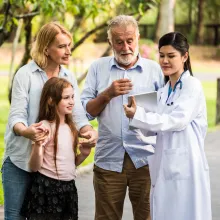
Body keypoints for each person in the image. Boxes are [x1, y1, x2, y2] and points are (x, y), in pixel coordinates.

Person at [2, 22, 98, 220]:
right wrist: (27, 132)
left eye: (69, 45)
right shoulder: (26, 74)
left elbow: (78, 115)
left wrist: (89, 131)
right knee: (15, 216)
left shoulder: (68, 76)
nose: (68, 51)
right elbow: (16, 116)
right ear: (46, 48)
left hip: (48, 170)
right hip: (20, 159)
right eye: (62, 46)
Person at [81, 15, 164, 220]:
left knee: (147, 216)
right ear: (110, 42)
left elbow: (165, 115)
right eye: (119, 42)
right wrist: (107, 94)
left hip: (146, 161)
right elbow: (86, 112)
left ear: (138, 38)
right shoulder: (98, 68)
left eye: (130, 41)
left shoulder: (155, 70)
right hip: (109, 160)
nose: (125, 47)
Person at [124, 32, 212, 220]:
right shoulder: (163, 91)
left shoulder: (192, 86)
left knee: (186, 213)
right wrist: (136, 113)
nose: (165, 60)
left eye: (171, 56)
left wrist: (139, 115)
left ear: (185, 56)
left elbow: (177, 121)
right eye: (162, 55)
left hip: (187, 166)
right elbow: (152, 128)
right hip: (163, 166)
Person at [20, 77, 92, 220]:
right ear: (51, 100)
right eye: (66, 98)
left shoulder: (71, 128)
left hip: (69, 189)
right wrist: (38, 147)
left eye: (72, 97)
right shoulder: (44, 127)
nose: (71, 101)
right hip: (46, 188)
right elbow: (34, 166)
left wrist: (83, 155)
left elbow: (69, 164)